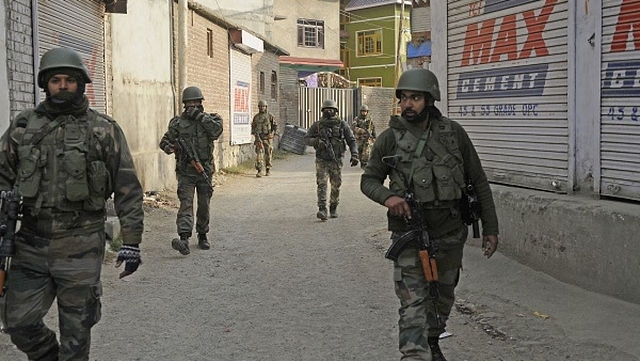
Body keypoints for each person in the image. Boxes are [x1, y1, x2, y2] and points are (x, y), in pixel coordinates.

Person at [0, 47, 144, 360]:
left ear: (81, 83)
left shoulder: (103, 130)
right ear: (45, 85)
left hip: (81, 243)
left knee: (76, 337)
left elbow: (128, 188)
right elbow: (2, 175)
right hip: (31, 243)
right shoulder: (23, 128)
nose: (62, 86)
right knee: (17, 323)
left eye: (68, 80)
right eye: (55, 80)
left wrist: (130, 242)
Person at [360, 68, 499, 361]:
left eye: (415, 98)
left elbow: (479, 180)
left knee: (442, 298)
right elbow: (368, 180)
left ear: (430, 100)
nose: (408, 104)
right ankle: (414, 354)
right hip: (409, 235)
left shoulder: (453, 134)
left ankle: (432, 342)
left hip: (449, 234)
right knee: (412, 304)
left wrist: (491, 227)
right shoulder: (389, 139)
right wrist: (389, 197)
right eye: (404, 98)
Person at [159, 86, 223, 254]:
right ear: (184, 104)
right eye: (189, 103)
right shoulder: (177, 123)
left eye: (195, 102)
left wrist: (200, 118)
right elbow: (164, 142)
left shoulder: (211, 120)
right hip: (186, 172)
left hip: (205, 170)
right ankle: (184, 238)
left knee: (204, 205)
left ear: (201, 103)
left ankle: (202, 234)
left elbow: (216, 131)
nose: (192, 106)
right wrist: (171, 147)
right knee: (186, 204)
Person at [305, 99, 359, 221]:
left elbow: (351, 139)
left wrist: (354, 154)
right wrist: (316, 142)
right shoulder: (318, 125)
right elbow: (306, 138)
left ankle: (333, 206)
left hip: (337, 160)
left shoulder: (342, 124)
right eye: (327, 109)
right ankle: (322, 209)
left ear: (336, 111)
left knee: (336, 184)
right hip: (322, 160)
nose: (329, 111)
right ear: (323, 111)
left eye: (332, 109)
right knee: (322, 184)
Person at [251, 100, 278, 177]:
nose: (262, 108)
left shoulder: (270, 116)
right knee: (259, 154)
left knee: (268, 154)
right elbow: (253, 128)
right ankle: (259, 170)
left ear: (266, 107)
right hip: (259, 138)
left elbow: (275, 126)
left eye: (263, 106)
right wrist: (256, 136)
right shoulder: (256, 117)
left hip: (268, 138)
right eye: (260, 106)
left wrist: (272, 134)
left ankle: (268, 169)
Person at [352, 104, 377, 168]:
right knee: (360, 151)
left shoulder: (370, 119)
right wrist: (362, 131)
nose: (364, 113)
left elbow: (373, 128)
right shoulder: (357, 119)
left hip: (367, 139)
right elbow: (354, 127)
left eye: (365, 111)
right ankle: (362, 162)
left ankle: (365, 163)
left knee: (366, 152)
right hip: (359, 139)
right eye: (363, 111)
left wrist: (374, 136)